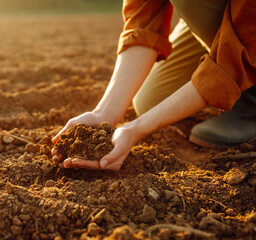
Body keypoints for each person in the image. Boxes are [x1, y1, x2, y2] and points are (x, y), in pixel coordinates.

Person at [51, 0, 256, 171]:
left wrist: (138, 128)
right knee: (152, 99)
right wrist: (105, 113)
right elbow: (143, 22)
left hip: (248, 20)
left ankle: (250, 97)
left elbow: (246, 35)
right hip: (226, 16)